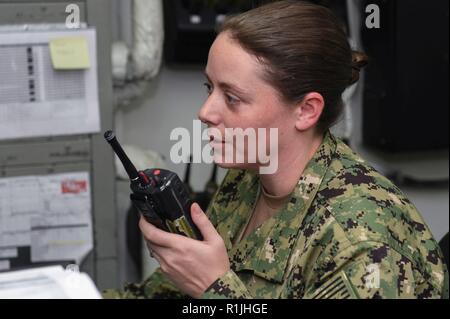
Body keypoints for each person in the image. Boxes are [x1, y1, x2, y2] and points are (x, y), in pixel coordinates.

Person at [103, 0, 448, 299]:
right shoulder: (248, 180)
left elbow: (207, 290)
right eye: (209, 87)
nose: (205, 112)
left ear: (306, 110)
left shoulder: (362, 239)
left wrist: (213, 286)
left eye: (232, 97)